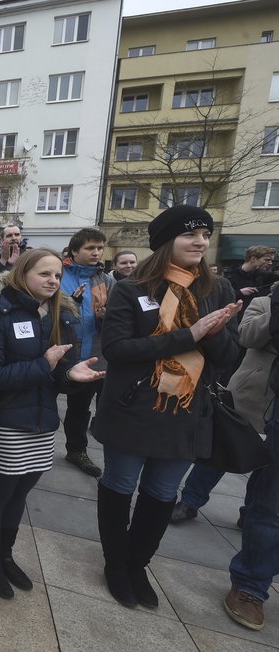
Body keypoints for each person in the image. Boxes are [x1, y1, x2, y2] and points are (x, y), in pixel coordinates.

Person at [94, 205, 242, 610]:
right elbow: (117, 350)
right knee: (119, 486)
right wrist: (189, 334)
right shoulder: (133, 287)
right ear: (165, 242)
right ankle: (115, 564)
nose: (200, 242)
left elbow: (228, 356)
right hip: (133, 409)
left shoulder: (218, 290)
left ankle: (137, 563)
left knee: (161, 493)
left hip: (186, 413)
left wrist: (211, 335)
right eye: (189, 234)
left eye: (205, 235)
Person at [0, 249, 103, 599]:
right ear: (22, 274)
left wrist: (71, 376)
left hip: (43, 423)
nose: (53, 281)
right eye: (44, 273)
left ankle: (5, 553)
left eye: (58, 276)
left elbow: (57, 376)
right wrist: (43, 365)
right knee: (0, 492)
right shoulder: (0, 315)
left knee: (21, 492)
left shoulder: (60, 314)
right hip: (8, 423)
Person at [223, 283, 279, 631]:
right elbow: (248, 336)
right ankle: (250, 585)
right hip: (258, 394)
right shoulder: (266, 301)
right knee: (270, 502)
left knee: (262, 480)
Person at [60, 228, 114, 478]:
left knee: (80, 408)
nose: (96, 253)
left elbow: (116, 318)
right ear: (74, 250)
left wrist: (107, 318)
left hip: (92, 354)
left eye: (99, 248)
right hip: (62, 352)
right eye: (90, 248)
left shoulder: (105, 280)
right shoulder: (59, 274)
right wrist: (70, 304)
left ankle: (76, 450)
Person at [223, 246, 278, 316]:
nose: (270, 263)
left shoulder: (263, 275)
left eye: (271, 260)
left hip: (254, 318)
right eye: (267, 260)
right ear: (253, 259)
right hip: (234, 318)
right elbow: (222, 297)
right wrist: (240, 292)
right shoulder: (230, 275)